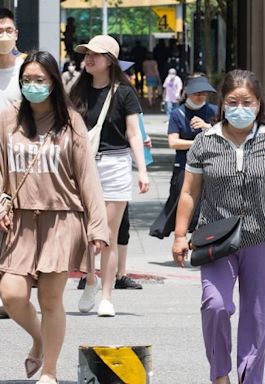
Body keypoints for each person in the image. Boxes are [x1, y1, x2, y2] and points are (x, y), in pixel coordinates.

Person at [172, 69, 265, 384]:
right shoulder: (206, 141)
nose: (240, 107)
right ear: (223, 104)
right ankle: (220, 374)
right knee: (215, 305)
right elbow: (189, 192)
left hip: (262, 235)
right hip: (215, 238)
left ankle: (250, 378)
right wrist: (180, 236)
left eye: (247, 102)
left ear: (259, 104)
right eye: (233, 101)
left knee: (256, 316)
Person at [0, 51, 108, 384]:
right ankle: (39, 340)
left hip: (62, 218)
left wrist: (98, 226)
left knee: (50, 298)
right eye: (27, 80)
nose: (32, 86)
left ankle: (50, 370)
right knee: (12, 294)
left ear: (54, 83)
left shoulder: (71, 121)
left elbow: (87, 175)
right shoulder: (8, 118)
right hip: (18, 221)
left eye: (40, 80)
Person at [70, 35, 150, 317]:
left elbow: (133, 134)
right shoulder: (76, 90)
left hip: (116, 164)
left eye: (96, 54)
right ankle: (90, 278)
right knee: (87, 230)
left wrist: (141, 169)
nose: (89, 58)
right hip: (84, 166)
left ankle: (106, 296)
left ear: (110, 61)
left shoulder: (125, 92)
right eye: (87, 53)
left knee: (109, 235)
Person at [149, 74, 217, 239]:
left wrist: (208, 128)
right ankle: (181, 236)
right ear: (187, 93)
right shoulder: (178, 114)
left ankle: (201, 241)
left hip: (211, 165)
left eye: (204, 94)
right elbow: (173, 142)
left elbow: (225, 135)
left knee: (206, 207)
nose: (200, 97)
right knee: (181, 203)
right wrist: (198, 142)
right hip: (184, 165)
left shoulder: (214, 111)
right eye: (196, 93)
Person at [0, 7, 23, 319]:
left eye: (7, 30)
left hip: (18, 159)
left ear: (17, 34)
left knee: (12, 226)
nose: (3, 36)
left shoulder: (27, 71)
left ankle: (10, 292)